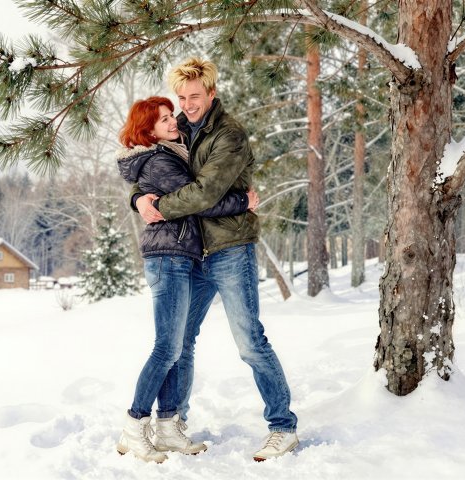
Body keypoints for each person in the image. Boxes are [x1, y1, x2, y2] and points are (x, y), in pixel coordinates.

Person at [133, 58, 299, 461]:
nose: (187, 104)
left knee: (249, 341)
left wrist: (160, 207)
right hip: (193, 254)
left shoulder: (230, 135)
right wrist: (138, 199)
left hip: (229, 249)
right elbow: (152, 173)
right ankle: (173, 423)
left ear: (212, 93)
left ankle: (283, 426)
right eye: (182, 97)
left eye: (195, 96)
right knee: (180, 343)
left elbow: (205, 194)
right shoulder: (181, 132)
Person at [115, 96, 259, 463]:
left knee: (177, 347)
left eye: (171, 115)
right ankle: (134, 426)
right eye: (163, 119)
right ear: (148, 131)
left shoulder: (172, 146)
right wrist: (243, 202)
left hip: (182, 256)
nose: (173, 120)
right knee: (166, 348)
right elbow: (202, 199)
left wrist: (137, 199)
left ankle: (166, 426)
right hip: (169, 258)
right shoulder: (161, 160)